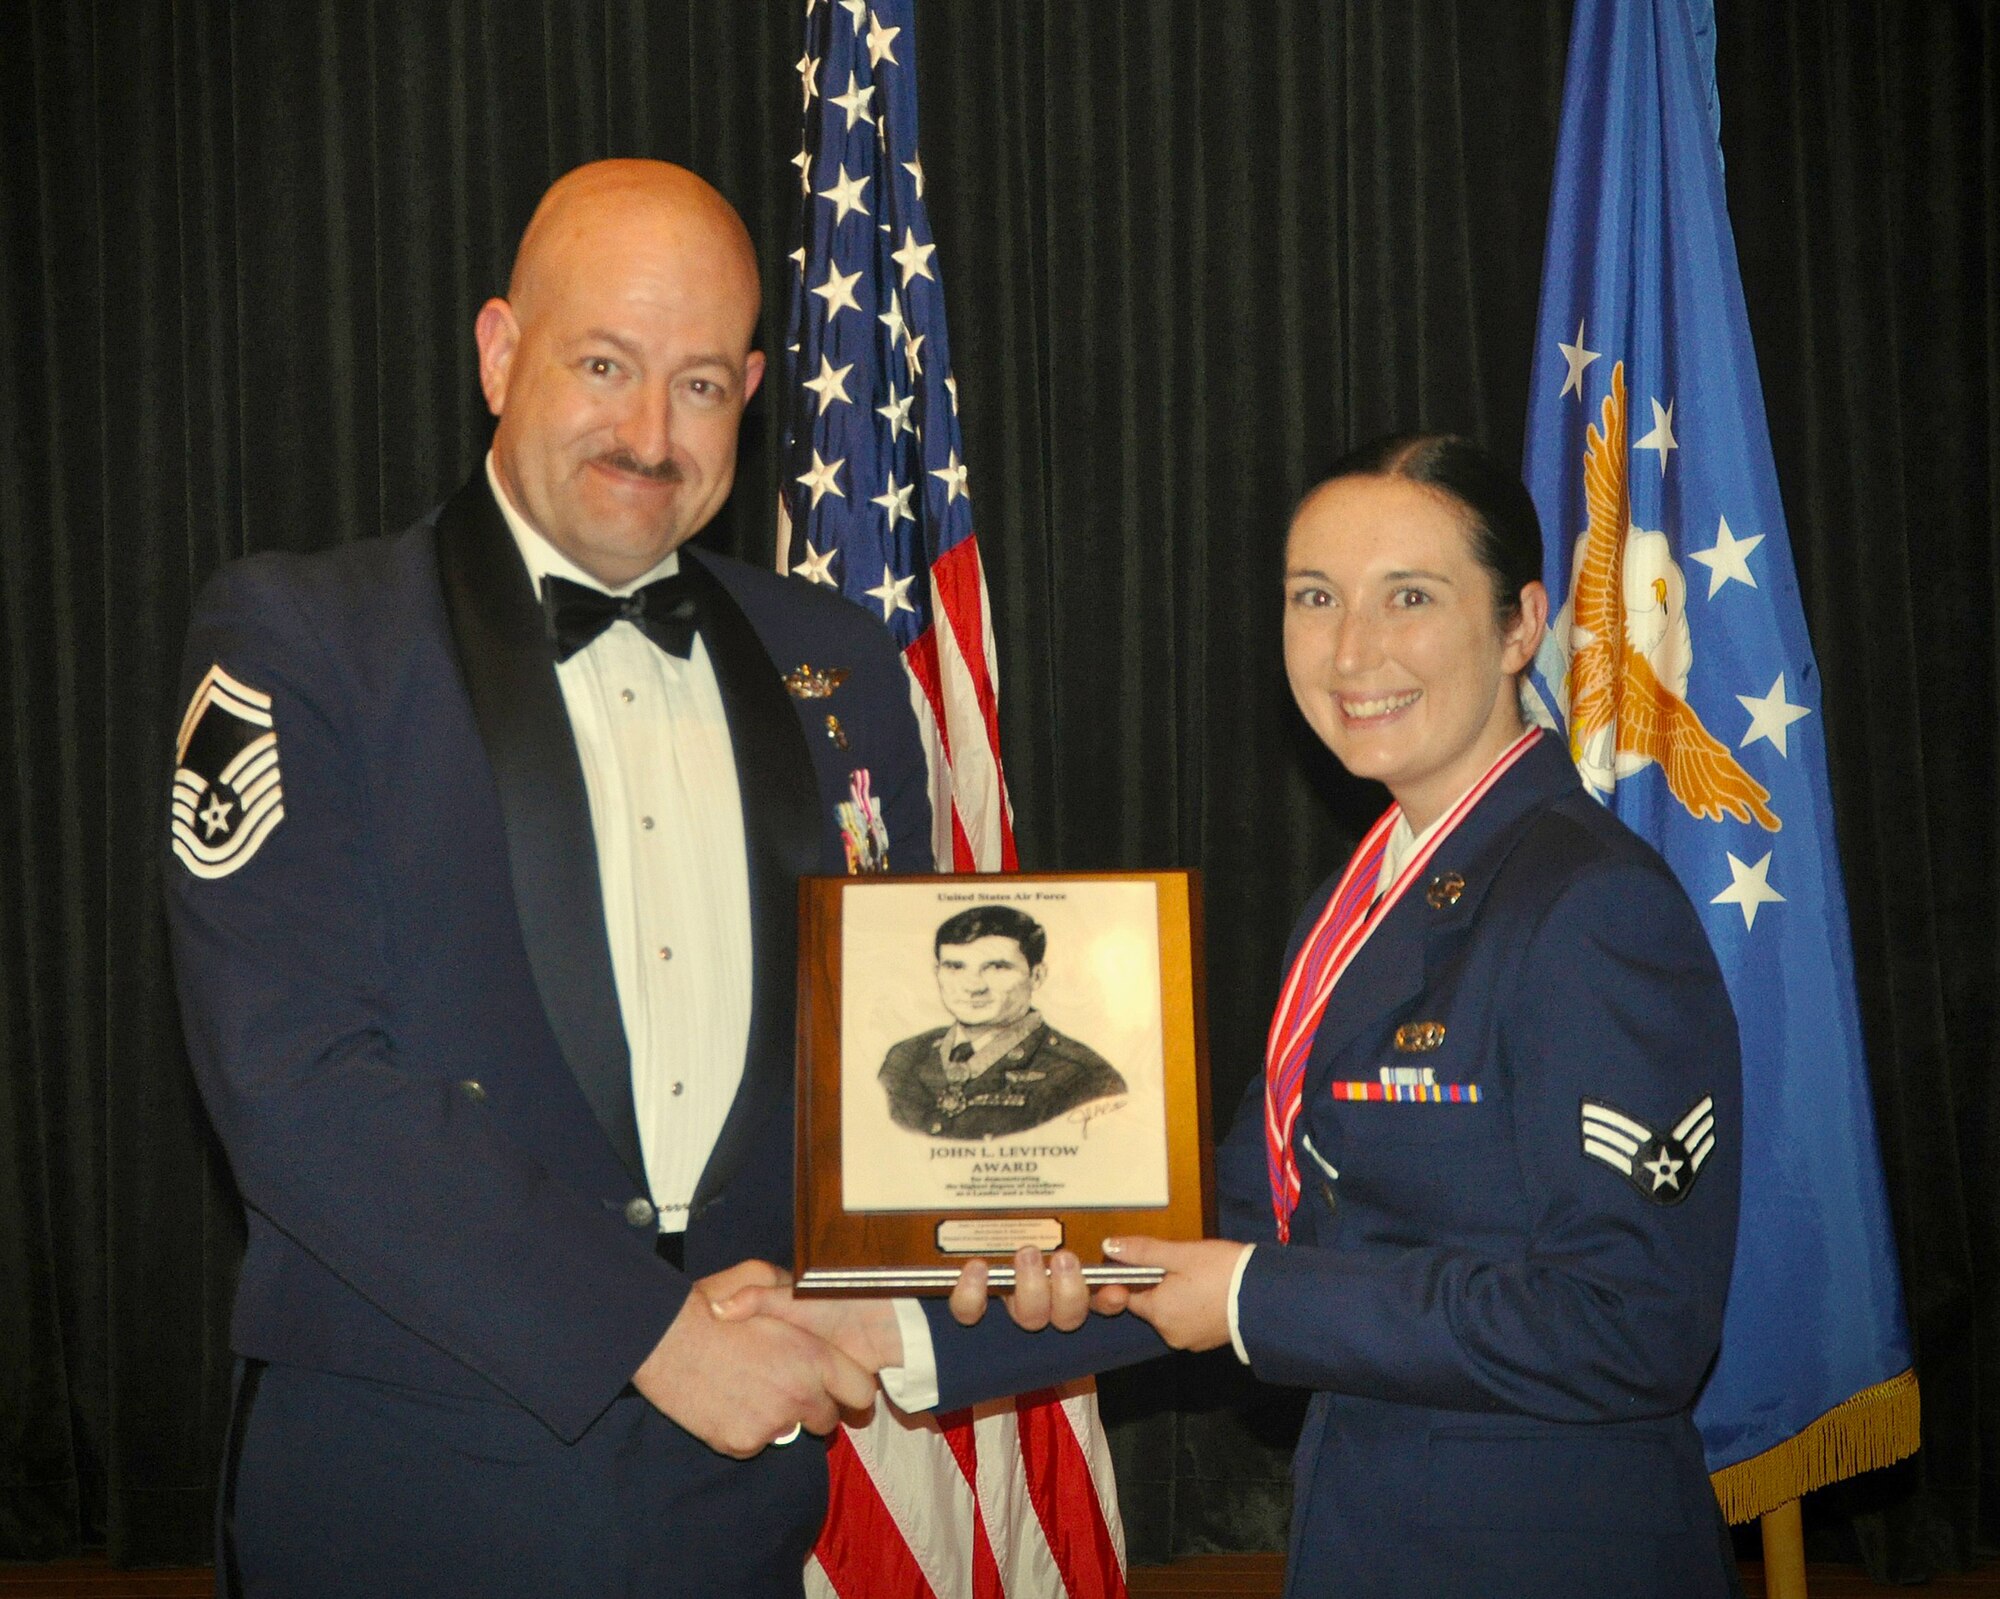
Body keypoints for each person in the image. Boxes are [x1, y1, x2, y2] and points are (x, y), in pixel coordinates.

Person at [730, 434, 1745, 1598]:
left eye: (1407, 597)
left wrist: (1252, 1297)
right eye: (1313, 598)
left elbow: (1629, 1324)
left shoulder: (1587, 903)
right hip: (1365, 1542)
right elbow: (1226, 1216)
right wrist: (887, 1321)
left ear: (1520, 624)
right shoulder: (1358, 902)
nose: (1351, 650)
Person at [163, 159, 932, 1597]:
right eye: (604, 364)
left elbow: (899, 1063)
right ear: (501, 351)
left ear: (757, 387)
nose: (651, 432)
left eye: (702, 384)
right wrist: (657, 1335)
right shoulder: (301, 641)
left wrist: (1015, 1249)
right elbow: (299, 1085)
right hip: (415, 1490)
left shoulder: (842, 669)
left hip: (736, 1497)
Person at [878, 904, 1127, 1138]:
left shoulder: (1085, 1077)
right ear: (937, 973)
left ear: (1036, 976)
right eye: (955, 967)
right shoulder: (904, 1059)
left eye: (996, 967)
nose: (973, 987)